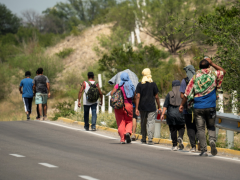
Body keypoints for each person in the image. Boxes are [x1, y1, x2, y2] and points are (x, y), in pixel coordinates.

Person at [179, 58, 226, 156]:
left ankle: (204, 150)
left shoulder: (195, 77)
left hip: (198, 107)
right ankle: (212, 141)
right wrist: (212, 63)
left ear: (199, 67)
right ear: (209, 66)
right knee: (211, 126)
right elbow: (223, 72)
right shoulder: (213, 75)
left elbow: (187, 93)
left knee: (200, 129)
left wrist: (182, 105)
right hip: (211, 107)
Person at [135, 68, 161, 145]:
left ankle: (143, 138)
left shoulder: (139, 85)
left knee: (143, 122)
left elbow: (138, 96)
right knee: (151, 122)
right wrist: (159, 106)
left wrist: (136, 108)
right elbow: (156, 96)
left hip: (142, 107)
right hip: (151, 107)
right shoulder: (153, 84)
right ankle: (150, 139)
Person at [111, 72, 135, 144]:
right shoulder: (131, 85)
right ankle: (127, 132)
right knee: (129, 121)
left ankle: (122, 139)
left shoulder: (117, 86)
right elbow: (134, 95)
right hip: (128, 105)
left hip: (119, 106)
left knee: (121, 122)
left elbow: (112, 93)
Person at [161, 80, 185, 151]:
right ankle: (180, 137)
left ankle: (174, 145)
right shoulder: (182, 94)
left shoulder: (169, 93)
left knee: (173, 129)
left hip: (171, 114)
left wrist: (162, 114)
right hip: (180, 113)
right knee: (181, 126)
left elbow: (165, 105)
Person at [180, 65, 199, 152]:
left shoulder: (185, 81)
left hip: (187, 109)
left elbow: (182, 95)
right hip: (199, 107)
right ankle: (200, 142)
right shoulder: (199, 79)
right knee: (199, 126)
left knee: (190, 127)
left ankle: (193, 146)